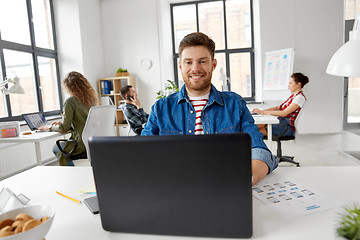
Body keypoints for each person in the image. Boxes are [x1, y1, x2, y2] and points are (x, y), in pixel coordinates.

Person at [141, 32, 277, 185]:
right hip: (174, 187)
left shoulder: (235, 104)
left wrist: (245, 178)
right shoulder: (161, 109)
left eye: (202, 61)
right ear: (180, 66)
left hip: (224, 185)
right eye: (188, 62)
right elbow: (141, 153)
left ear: (213, 64)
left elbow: (259, 151)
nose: (195, 68)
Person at [38, 71, 98, 166]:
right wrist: (66, 125)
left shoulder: (71, 101)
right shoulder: (92, 100)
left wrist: (49, 127)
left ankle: (71, 173)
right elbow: (83, 123)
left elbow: (64, 128)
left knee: (56, 149)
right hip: (91, 142)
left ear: (68, 87)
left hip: (79, 143)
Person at [253, 73, 309, 137]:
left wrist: (264, 112)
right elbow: (278, 107)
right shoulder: (293, 96)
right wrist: (260, 112)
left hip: (286, 127)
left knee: (254, 131)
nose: (288, 86)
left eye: (290, 83)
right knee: (253, 127)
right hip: (281, 123)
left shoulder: (299, 98)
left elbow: (284, 113)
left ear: (298, 84)